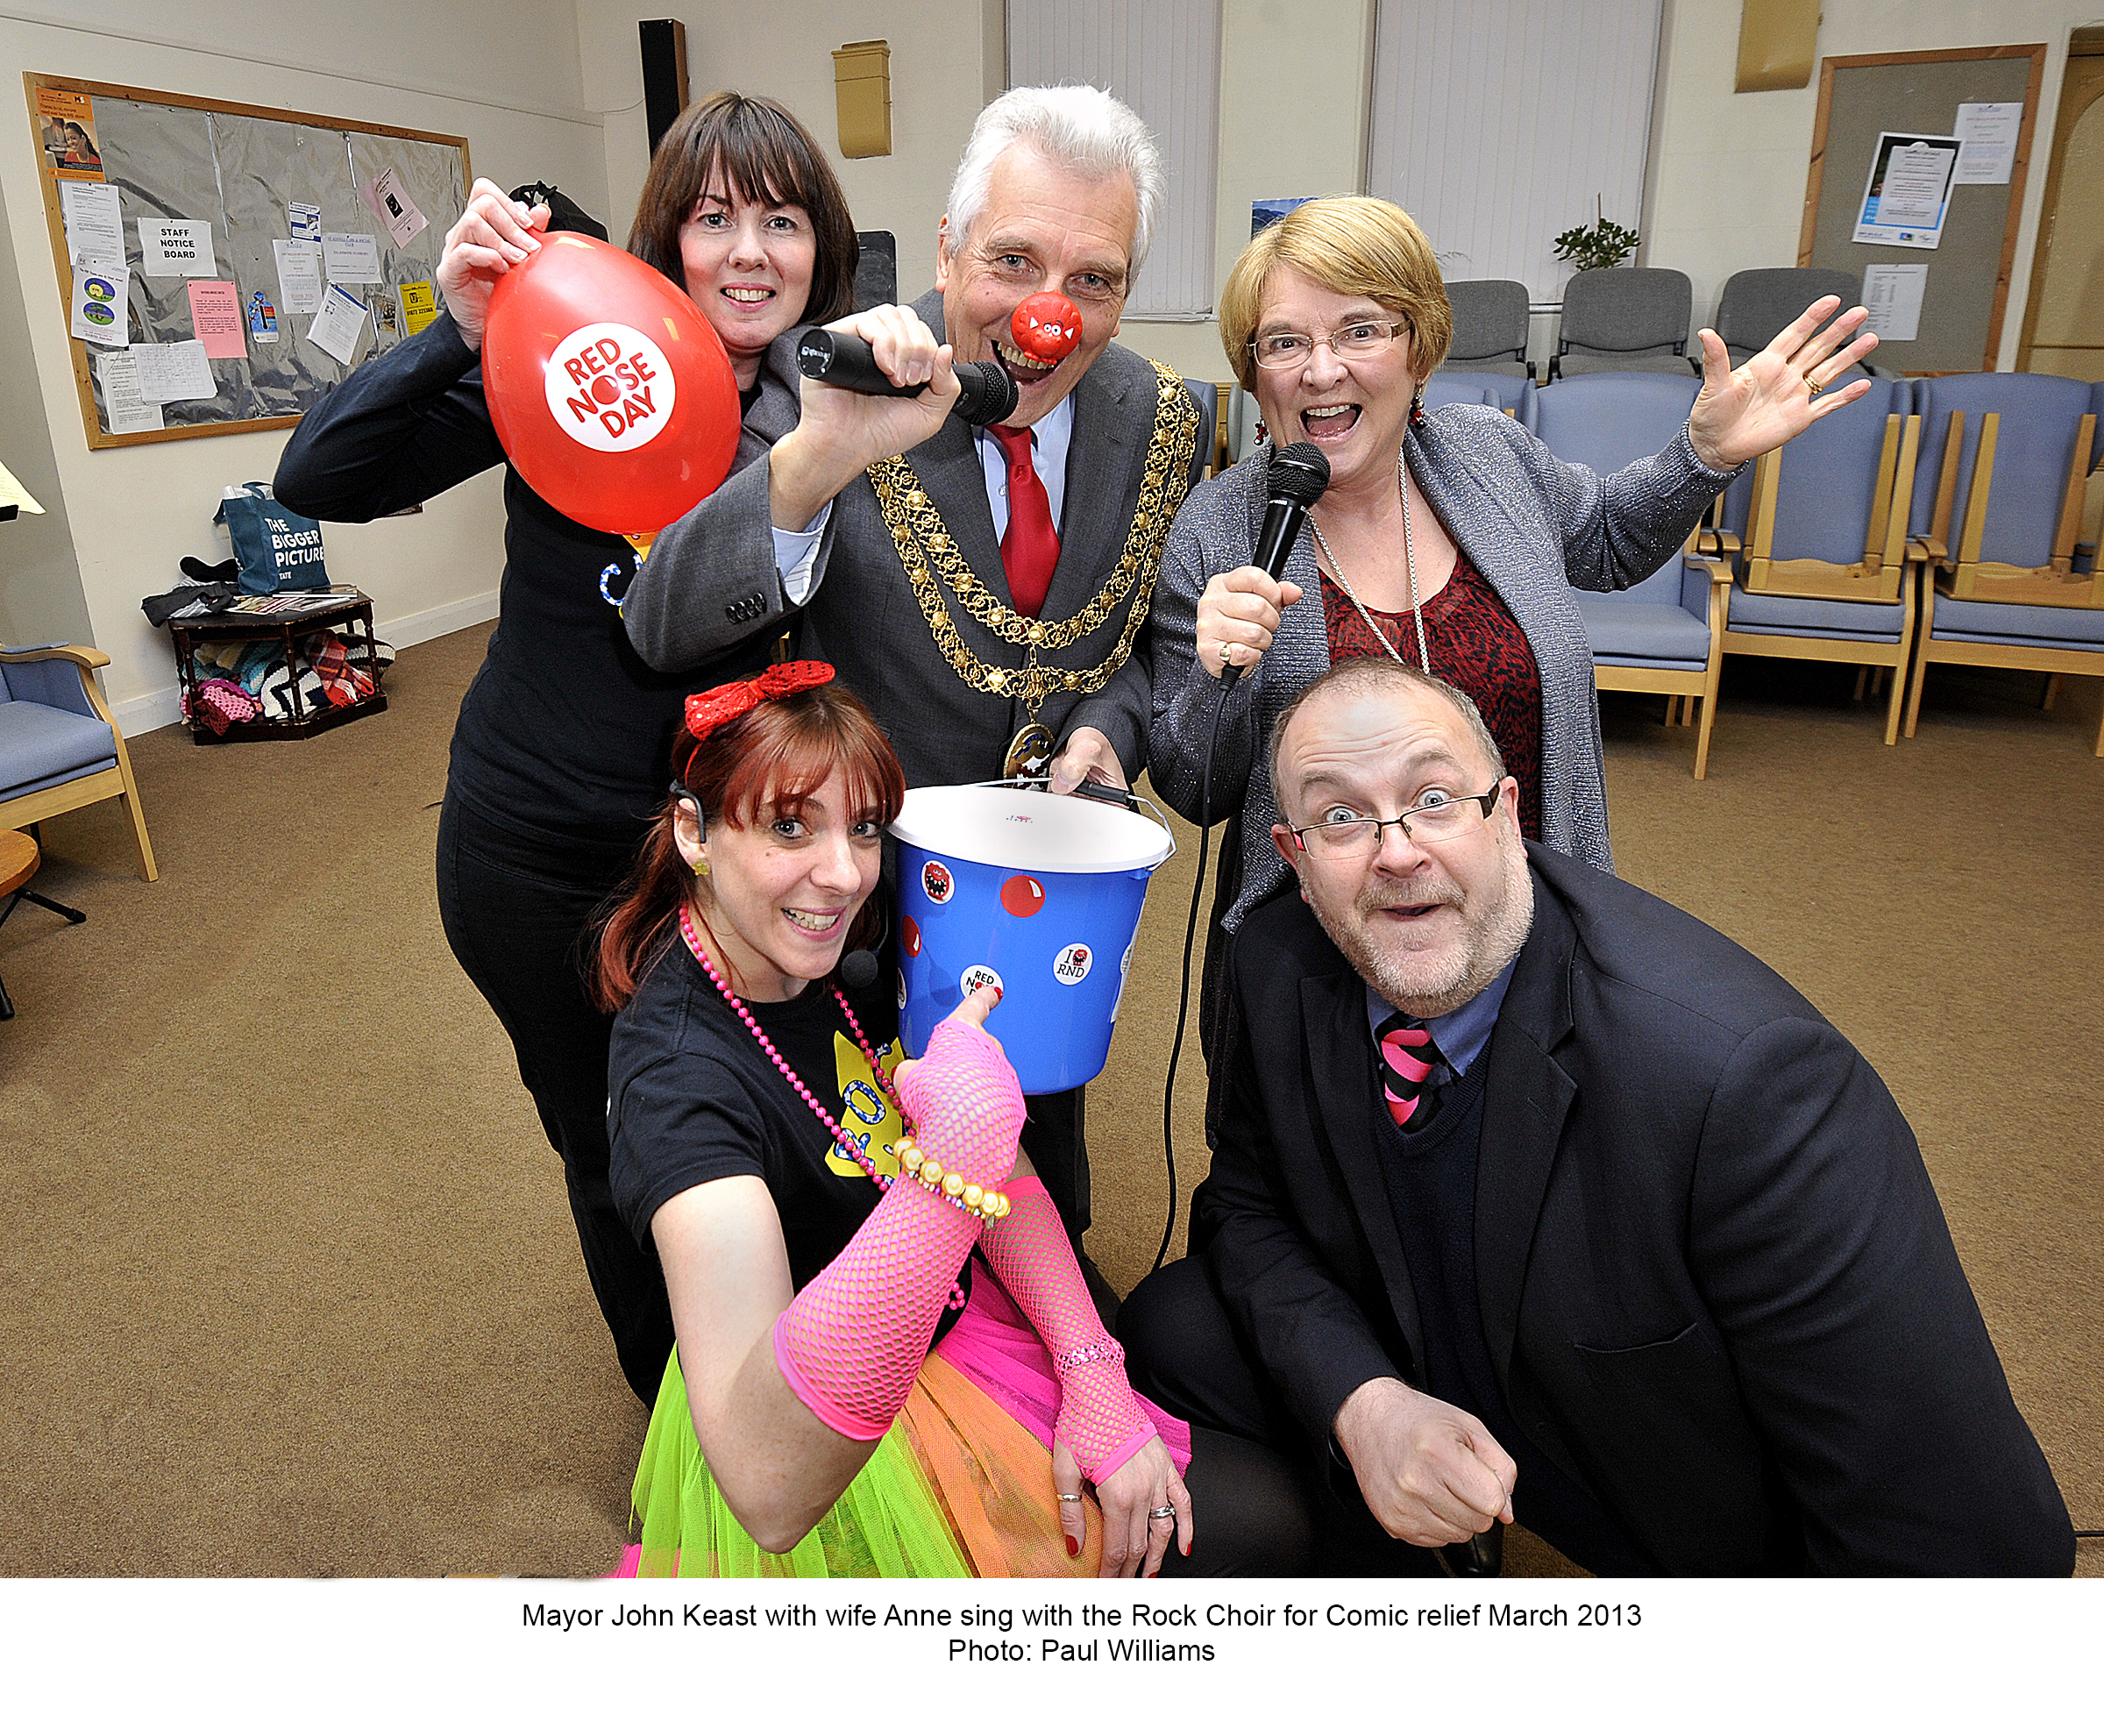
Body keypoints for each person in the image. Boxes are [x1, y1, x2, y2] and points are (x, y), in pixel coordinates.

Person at [1121, 658, 2076, 1576]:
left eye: (1436, 799)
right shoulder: (1278, 961)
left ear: (1509, 812)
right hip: (1439, 1344)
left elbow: (1973, 1548)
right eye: (1340, 816)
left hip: (1672, 1505)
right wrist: (1365, 1405)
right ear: (1293, 852)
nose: (1397, 850)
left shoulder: (1745, 1081)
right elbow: (1248, 1209)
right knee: (1175, 1323)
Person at [273, 93, 861, 1405]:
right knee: (612, 1146)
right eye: (715, 222)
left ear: (824, 246)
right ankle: (685, 1426)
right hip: (539, 846)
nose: (750, 252)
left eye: (783, 220)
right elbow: (319, 477)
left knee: (779, 1120)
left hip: (731, 852)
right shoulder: (582, 362)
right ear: (669, 242)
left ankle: (803, 1388)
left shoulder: (838, 404)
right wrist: (459, 330)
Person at [622, 84, 1211, 1250]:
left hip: (1044, 910)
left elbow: (1155, 642)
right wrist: (820, 459)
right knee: (859, 1227)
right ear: (944, 252)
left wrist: (1115, 730)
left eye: (1094, 279)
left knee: (1041, 1196)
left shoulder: (1160, 415)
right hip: (850, 911)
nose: (1052, 316)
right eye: (1013, 261)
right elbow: (664, 624)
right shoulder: (835, 386)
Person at [1147, 196, 1877, 1076]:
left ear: (1419, 348)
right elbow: (1194, 783)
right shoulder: (1221, 528)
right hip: (1329, 975)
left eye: (1362, 331)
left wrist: (1703, 456)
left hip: (1534, 934)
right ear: (1255, 372)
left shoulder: (1488, 453)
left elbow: (1606, 540)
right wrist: (1217, 673)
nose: (1322, 370)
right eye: (1285, 342)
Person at [598, 665, 1198, 1576]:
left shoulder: (838, 955)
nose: (842, 875)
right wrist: (951, 1156)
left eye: (867, 828)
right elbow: (768, 1485)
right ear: (694, 832)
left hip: (949, 1318)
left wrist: (1089, 1368)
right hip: (825, 1412)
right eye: (790, 826)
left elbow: (1003, 1167)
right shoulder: (674, 1087)